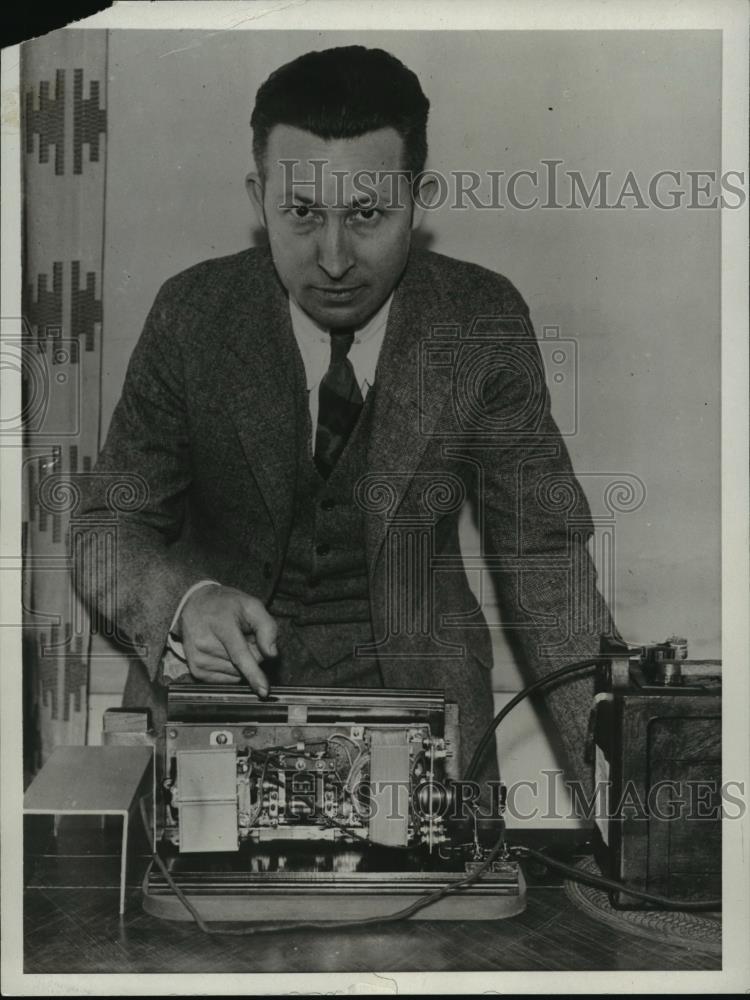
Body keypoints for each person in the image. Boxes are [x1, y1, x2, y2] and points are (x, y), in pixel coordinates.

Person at [74, 45, 613, 791]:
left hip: (431, 737)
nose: (332, 259)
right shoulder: (191, 316)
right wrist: (185, 605)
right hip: (209, 729)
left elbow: (545, 558)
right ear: (258, 198)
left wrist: (626, 799)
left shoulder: (481, 322)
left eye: (366, 214)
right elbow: (106, 530)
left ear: (417, 199)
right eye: (301, 214)